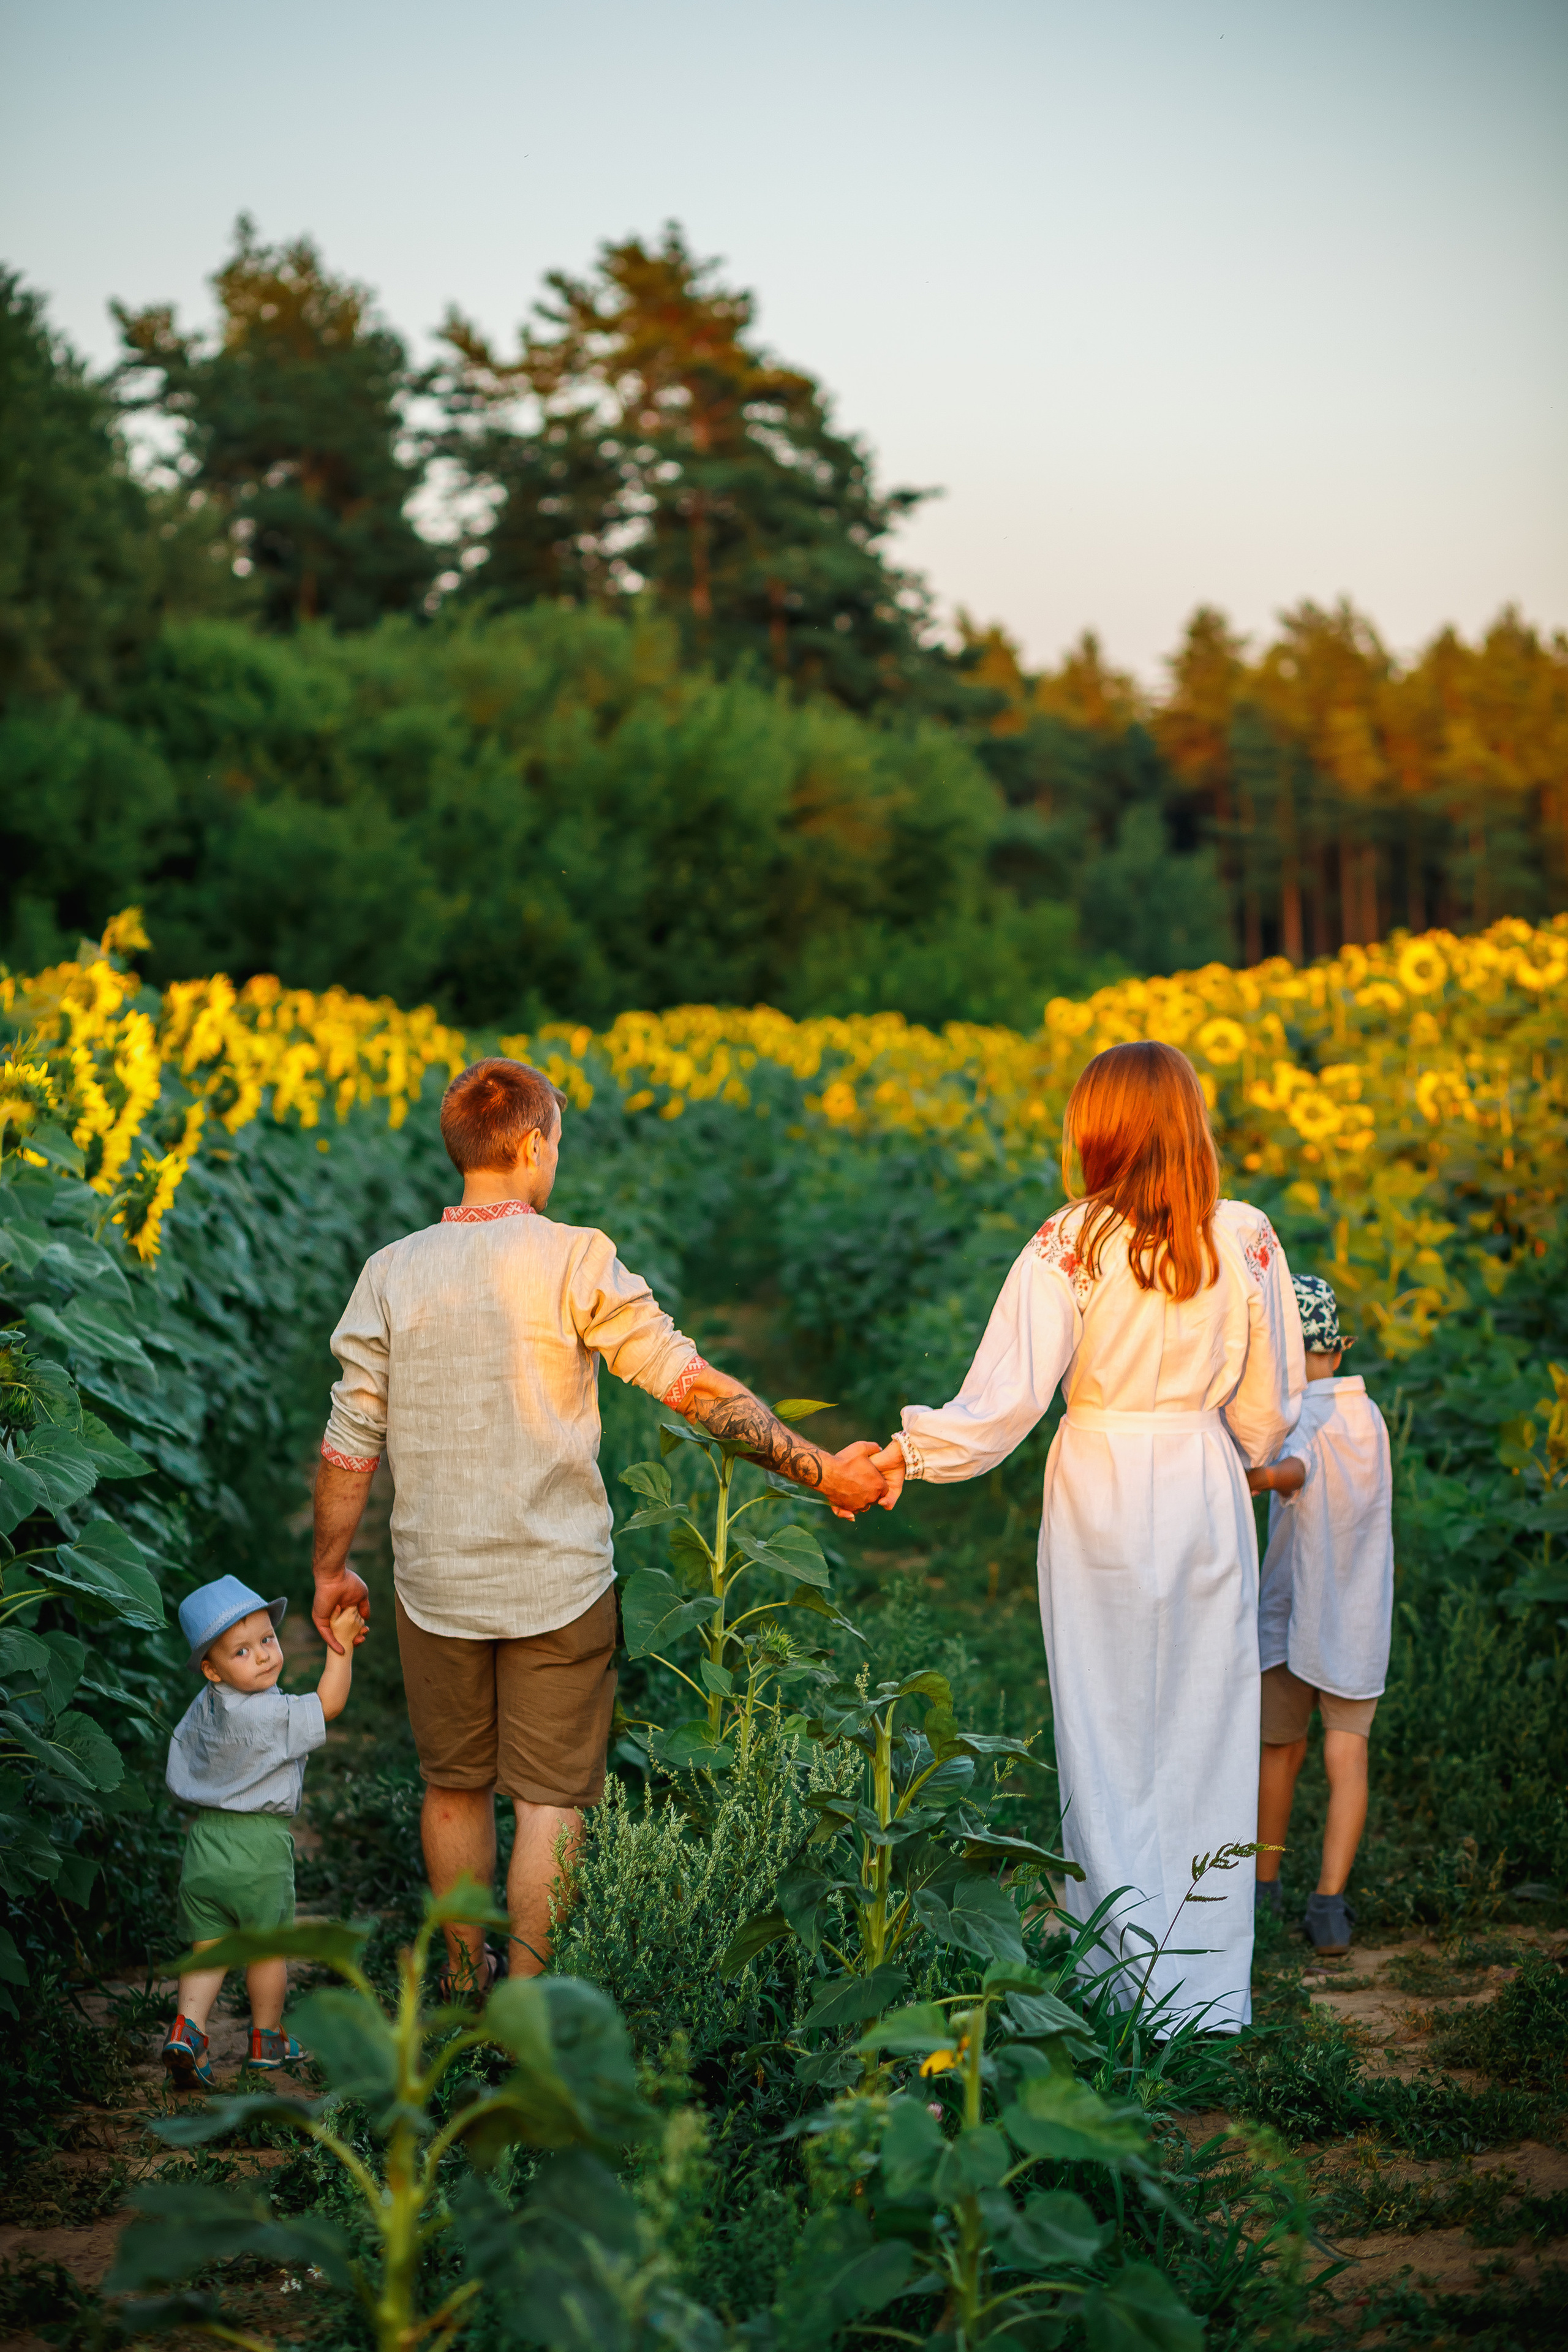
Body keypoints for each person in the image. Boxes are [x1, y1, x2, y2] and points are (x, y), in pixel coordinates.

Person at [309, 1057, 886, 1997]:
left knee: (454, 1784)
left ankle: (461, 1976)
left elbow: (348, 1445)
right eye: (558, 1146)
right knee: (552, 1798)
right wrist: (822, 1470)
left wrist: (332, 1567)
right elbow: (690, 1386)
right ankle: (532, 1996)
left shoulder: (391, 1273)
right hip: (559, 1580)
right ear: (533, 1146)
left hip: (434, 1583)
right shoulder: (575, 1257)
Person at [870, 1041, 1304, 2032]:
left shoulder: (1071, 1240)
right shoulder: (1245, 1238)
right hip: (1202, 1479)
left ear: (1100, 1127)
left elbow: (1001, 1403)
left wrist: (906, 1455)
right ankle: (1205, 1990)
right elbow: (1269, 1416)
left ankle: (1120, 1974)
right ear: (1189, 1120)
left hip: (1100, 1477)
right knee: (1207, 1724)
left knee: (1107, 1724)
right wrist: (1232, 1444)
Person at [162, 1574, 364, 2087]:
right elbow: (328, 1705)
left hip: (205, 1846)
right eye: (243, 1652)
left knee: (208, 1947)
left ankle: (189, 2028)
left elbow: (179, 1761)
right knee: (266, 1947)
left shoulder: (203, 1708)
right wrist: (339, 1651)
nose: (265, 1656)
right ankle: (267, 2037)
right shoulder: (271, 1713)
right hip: (260, 1848)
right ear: (211, 1668)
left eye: (267, 1640)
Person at [1247, 1273, 1393, 1958]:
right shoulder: (1369, 1416)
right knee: (1347, 1755)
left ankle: (1263, 1886)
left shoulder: (1300, 1413)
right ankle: (1328, 1903)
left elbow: (1296, 1470)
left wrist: (1249, 1476)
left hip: (1293, 1608)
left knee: (1280, 1750)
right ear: (1337, 1350)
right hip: (1357, 1617)